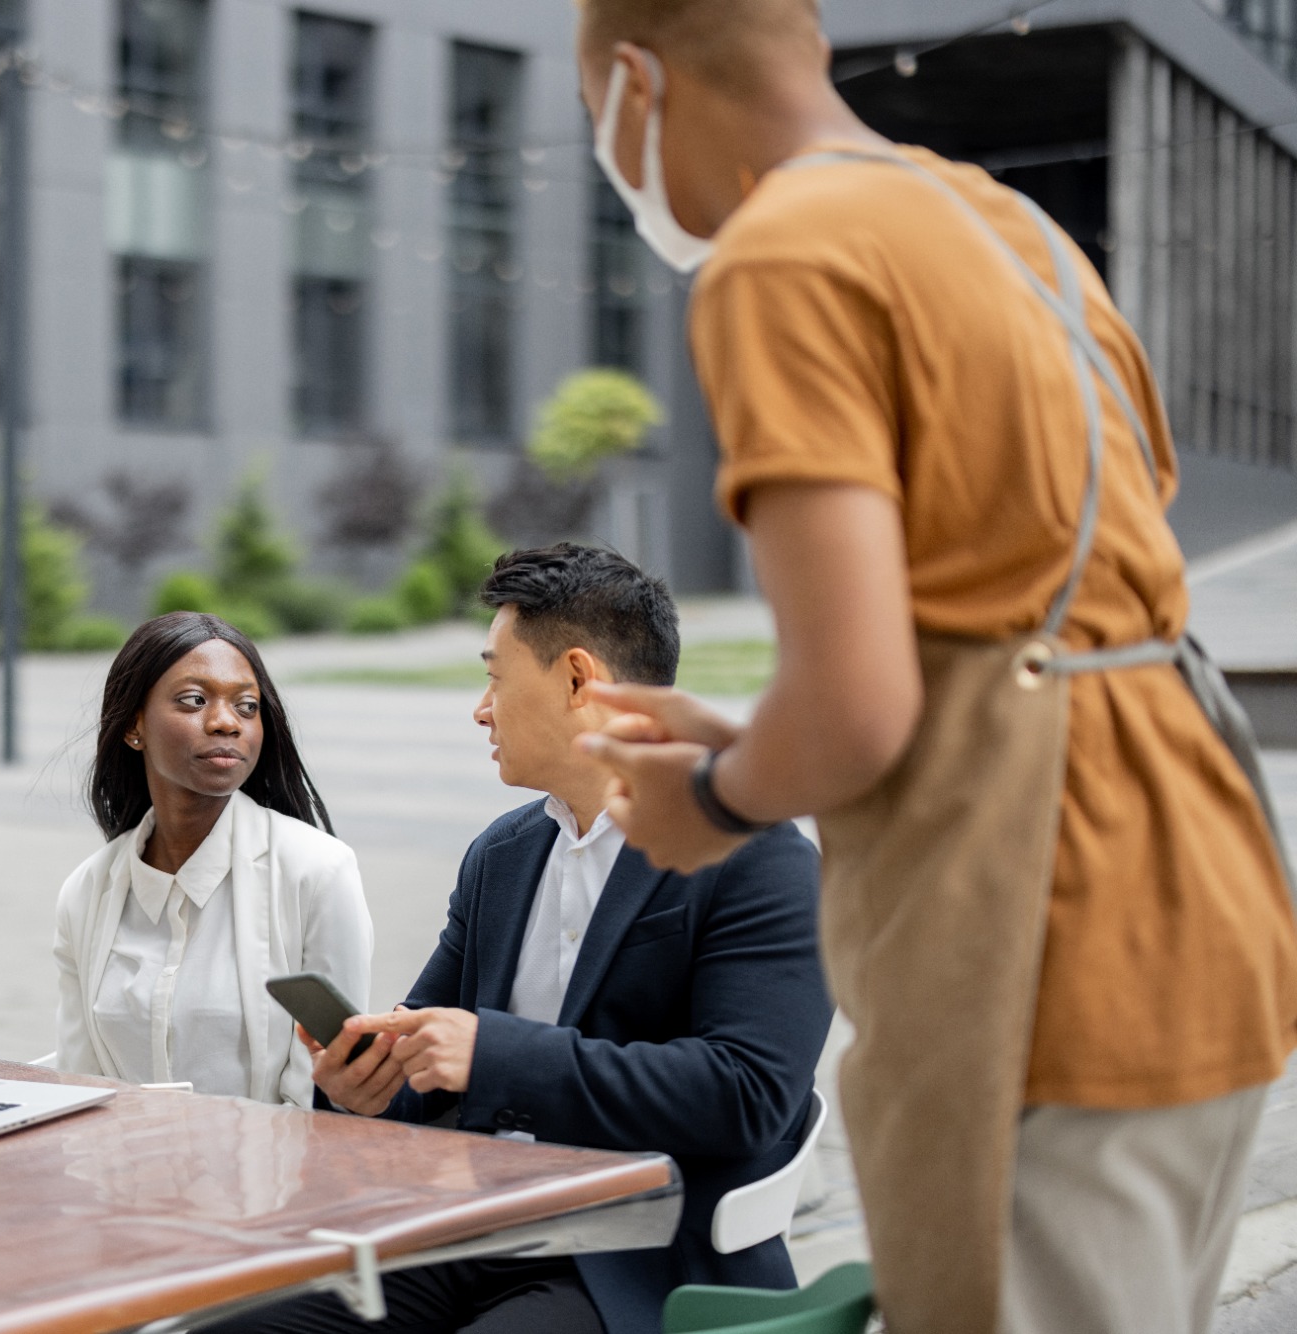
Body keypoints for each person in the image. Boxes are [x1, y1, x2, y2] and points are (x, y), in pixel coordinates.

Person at [566, 5, 1297, 1334]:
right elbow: (1031, 607)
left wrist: (714, 798)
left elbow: (857, 707)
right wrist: (749, 732)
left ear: (633, 84)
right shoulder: (1012, 230)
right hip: (1203, 901)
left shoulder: (781, 255)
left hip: (1035, 931)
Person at [207, 545, 833, 1334]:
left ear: (578, 678)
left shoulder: (758, 855)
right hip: (466, 1231)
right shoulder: (502, 857)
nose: (480, 708)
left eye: (496, 679)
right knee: (235, 1321)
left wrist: (494, 1053)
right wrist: (366, 1084)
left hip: (642, 1256)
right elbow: (430, 1058)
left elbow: (746, 1096)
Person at [53, 611, 371, 1106]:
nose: (226, 722)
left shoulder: (317, 872)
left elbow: (326, 1091)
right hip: (121, 1173)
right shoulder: (88, 891)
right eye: (194, 700)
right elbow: (80, 1084)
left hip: (271, 1177)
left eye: (247, 707)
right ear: (135, 724)